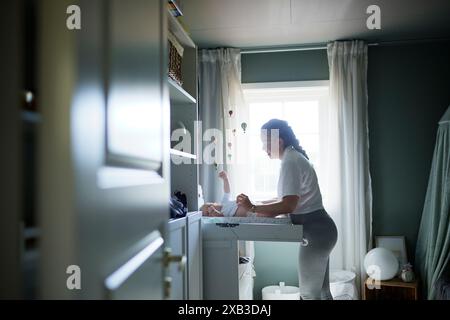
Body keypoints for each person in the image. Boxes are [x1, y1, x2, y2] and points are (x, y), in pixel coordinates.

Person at [236, 119, 338, 300]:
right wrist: (256, 203)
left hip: (316, 233)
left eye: (265, 143)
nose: (263, 148)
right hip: (322, 230)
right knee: (322, 293)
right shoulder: (294, 157)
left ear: (279, 141)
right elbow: (287, 198)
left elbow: (287, 206)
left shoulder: (290, 161)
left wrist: (252, 207)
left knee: (308, 294)